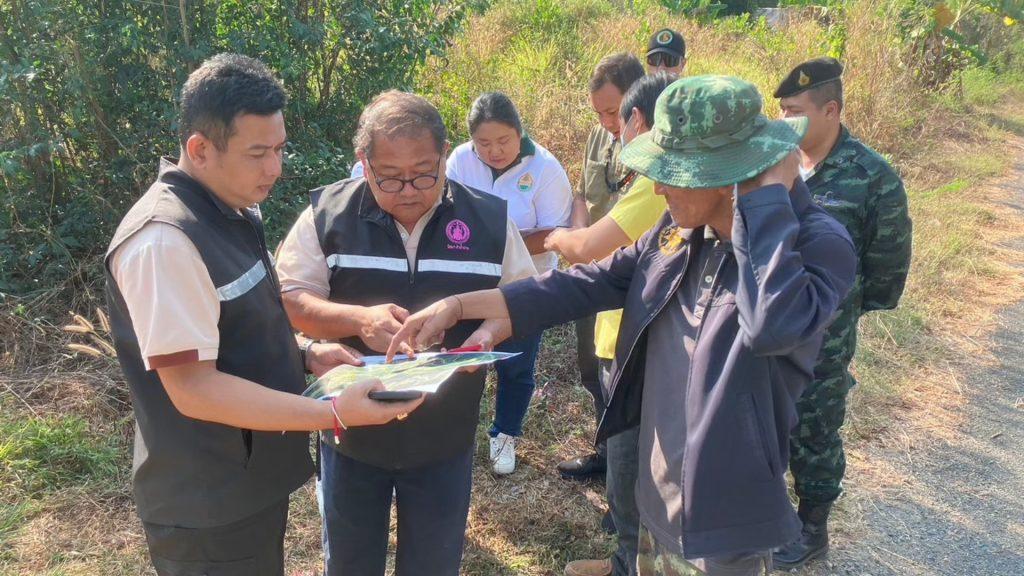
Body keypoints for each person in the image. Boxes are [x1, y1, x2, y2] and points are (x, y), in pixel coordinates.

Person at [388, 75, 858, 576]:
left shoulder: (812, 244)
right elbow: (589, 282)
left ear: (728, 175)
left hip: (724, 515)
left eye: (673, 175)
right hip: (658, 486)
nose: (658, 188)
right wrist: (463, 307)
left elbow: (773, 326)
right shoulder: (683, 231)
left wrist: (766, 201)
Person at [104, 54, 422, 576]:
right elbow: (193, 388)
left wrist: (306, 353)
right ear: (200, 149)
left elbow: (231, 326)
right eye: (257, 153)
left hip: (246, 484)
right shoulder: (165, 240)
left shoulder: (230, 208)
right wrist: (335, 412)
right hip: (208, 504)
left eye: (279, 149)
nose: (275, 168)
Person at [274, 90, 537, 576]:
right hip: (350, 435)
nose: (410, 190)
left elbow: (521, 299)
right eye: (390, 178)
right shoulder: (327, 216)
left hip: (444, 434)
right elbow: (290, 298)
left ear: (445, 157)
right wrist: (357, 320)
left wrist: (484, 336)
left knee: (433, 563)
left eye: (424, 173)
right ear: (364, 164)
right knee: (351, 563)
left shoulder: (489, 219)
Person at [772, 57, 913, 570]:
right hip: (768, 324)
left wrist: (844, 310)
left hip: (825, 338)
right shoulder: (772, 164)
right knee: (768, 424)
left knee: (814, 428)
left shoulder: (871, 176)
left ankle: (812, 529)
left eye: (795, 111)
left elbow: (887, 266)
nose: (784, 121)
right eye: (782, 110)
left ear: (830, 110)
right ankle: (771, 518)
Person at [546, 72, 675, 576]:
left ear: (636, 120)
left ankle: (628, 562)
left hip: (636, 340)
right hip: (617, 332)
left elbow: (592, 251)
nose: (608, 129)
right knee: (624, 456)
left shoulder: (654, 184)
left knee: (629, 462)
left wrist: (555, 238)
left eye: (612, 118)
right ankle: (628, 557)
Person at [446, 92, 572, 475]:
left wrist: (499, 241)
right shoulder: (460, 161)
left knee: (517, 362)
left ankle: (504, 434)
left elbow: (554, 231)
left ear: (520, 133)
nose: (494, 151)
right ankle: (453, 433)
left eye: (503, 141)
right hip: (469, 280)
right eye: (484, 143)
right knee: (463, 356)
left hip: (526, 280)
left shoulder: (546, 168)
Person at [563, 52, 646, 483]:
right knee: (592, 367)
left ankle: (626, 475)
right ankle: (606, 454)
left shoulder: (651, 146)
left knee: (626, 377)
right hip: (592, 268)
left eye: (612, 112)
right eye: (598, 113)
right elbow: (582, 193)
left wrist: (575, 245)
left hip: (632, 278)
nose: (607, 122)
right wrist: (579, 237)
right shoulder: (600, 137)